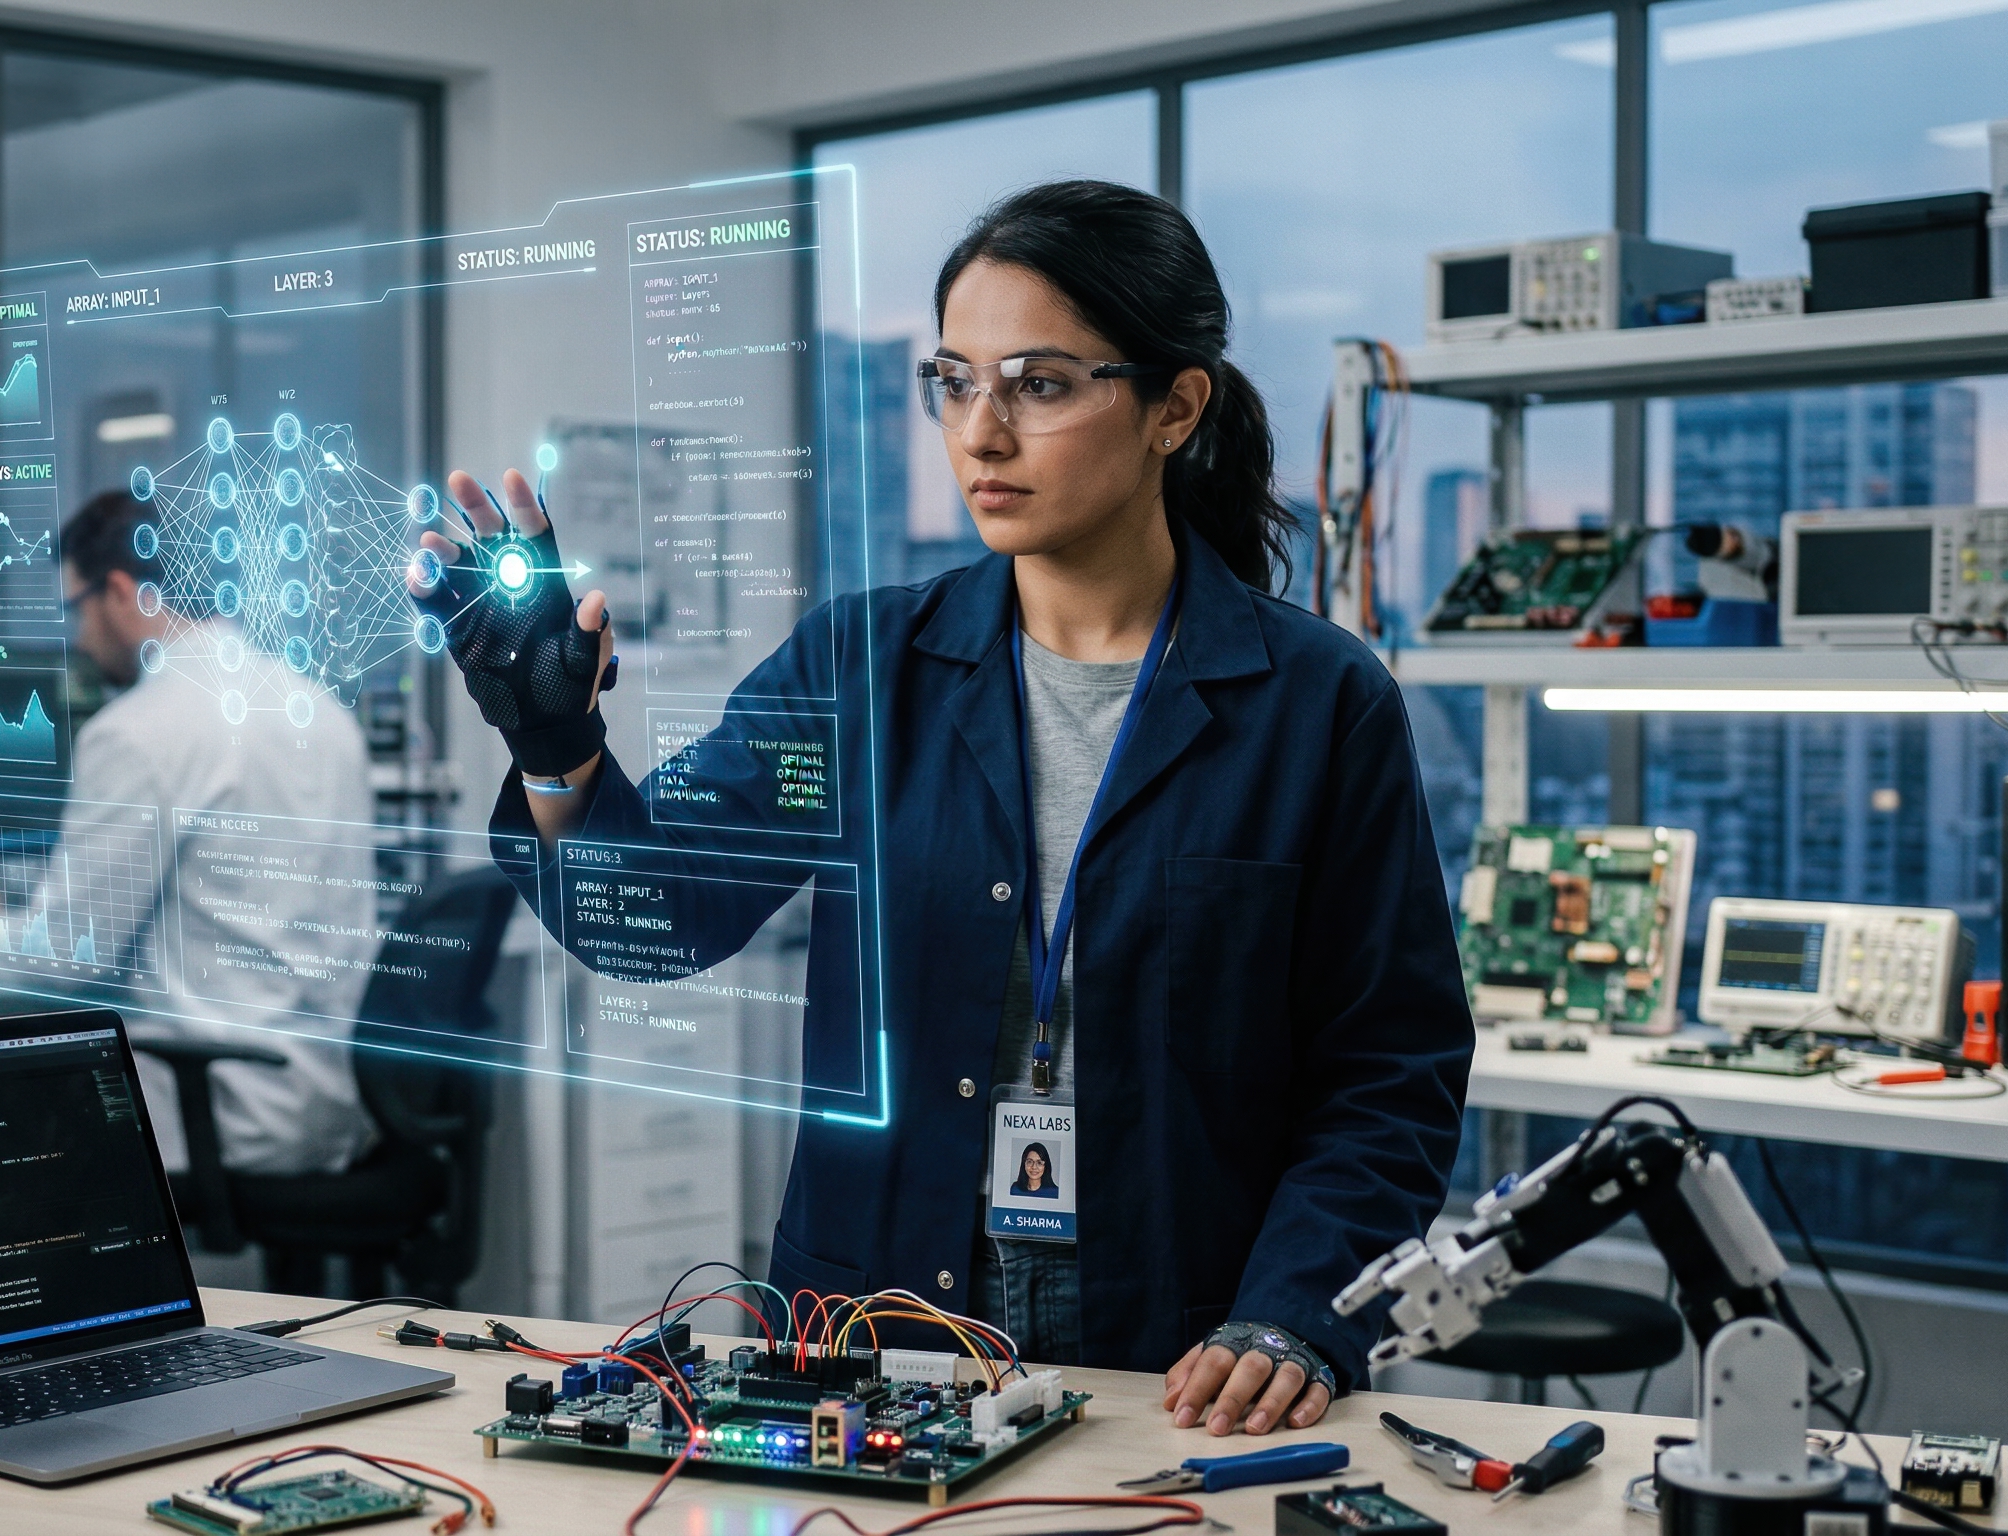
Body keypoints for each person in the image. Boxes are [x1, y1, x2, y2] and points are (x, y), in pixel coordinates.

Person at [407, 180, 1471, 1436]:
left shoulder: (1316, 706)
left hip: (1186, 1350)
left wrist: (1295, 1313)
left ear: (1174, 408)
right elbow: (664, 912)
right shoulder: (863, 670)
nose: (980, 432)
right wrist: (553, 742)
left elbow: (1386, 1075)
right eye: (953, 381)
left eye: (1039, 382)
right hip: (875, 1324)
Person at [44, 488, 378, 1180]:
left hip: (220, 1111)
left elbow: (65, 953)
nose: (76, 638)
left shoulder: (138, 731)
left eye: (74, 609)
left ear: (116, 591)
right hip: (338, 1100)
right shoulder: (317, 708)